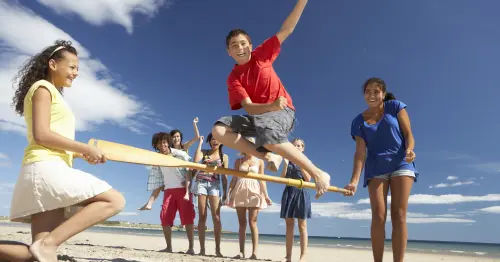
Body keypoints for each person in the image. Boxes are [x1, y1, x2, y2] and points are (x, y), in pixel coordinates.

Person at [2, 40, 125, 262]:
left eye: (77, 68)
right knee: (114, 200)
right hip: (45, 169)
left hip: (45, 172)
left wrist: (78, 154)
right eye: (72, 67)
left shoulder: (54, 93)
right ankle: (50, 244)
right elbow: (41, 135)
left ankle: (47, 245)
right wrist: (85, 147)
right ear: (53, 64)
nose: (76, 73)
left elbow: (53, 139)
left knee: (37, 255)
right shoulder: (43, 88)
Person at [211, 0, 330, 199]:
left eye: (243, 43)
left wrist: (302, 2)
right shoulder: (233, 78)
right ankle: (265, 155)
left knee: (268, 135)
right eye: (234, 46)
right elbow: (248, 108)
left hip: (283, 112)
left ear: (250, 45)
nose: (240, 48)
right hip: (259, 114)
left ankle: (318, 172)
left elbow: (287, 29)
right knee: (219, 130)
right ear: (229, 52)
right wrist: (269, 105)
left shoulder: (261, 55)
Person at [344, 78, 418, 262]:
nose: (372, 95)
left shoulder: (395, 107)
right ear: (364, 95)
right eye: (368, 91)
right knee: (378, 215)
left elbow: (409, 134)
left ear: (383, 94)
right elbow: (360, 154)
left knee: (399, 214)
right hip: (375, 167)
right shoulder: (358, 122)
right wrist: (353, 180)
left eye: (376, 91)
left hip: (401, 163)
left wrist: (409, 149)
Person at [138, 132, 195, 254]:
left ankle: (191, 248)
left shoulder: (179, 154)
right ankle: (169, 247)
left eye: (164, 142)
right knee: (165, 219)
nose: (162, 145)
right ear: (156, 145)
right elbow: (158, 180)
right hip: (168, 191)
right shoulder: (158, 158)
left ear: (168, 142)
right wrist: (151, 201)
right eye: (159, 143)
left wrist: (188, 186)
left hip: (182, 189)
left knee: (188, 219)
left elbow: (191, 168)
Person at [226, 137, 271, 259]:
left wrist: (266, 196)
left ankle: (254, 252)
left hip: (254, 191)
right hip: (240, 190)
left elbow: (262, 180)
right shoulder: (238, 161)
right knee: (242, 223)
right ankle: (241, 251)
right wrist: (228, 193)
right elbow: (234, 178)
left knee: (253, 222)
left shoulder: (260, 161)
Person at [192, 133, 228, 257]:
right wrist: (200, 143)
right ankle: (202, 249)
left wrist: (225, 193)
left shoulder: (224, 156)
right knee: (202, 216)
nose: (214, 140)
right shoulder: (204, 151)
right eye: (212, 139)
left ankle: (218, 250)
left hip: (215, 185)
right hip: (201, 183)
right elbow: (196, 161)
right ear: (209, 141)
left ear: (222, 142)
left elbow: (224, 176)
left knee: (216, 218)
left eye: (217, 139)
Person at [280, 138, 312, 262]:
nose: (297, 147)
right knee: (289, 225)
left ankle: (303, 256)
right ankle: (288, 257)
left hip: (301, 192)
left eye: (299, 146)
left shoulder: (306, 161)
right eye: (295, 145)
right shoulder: (287, 159)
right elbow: (282, 177)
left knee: (302, 225)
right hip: (289, 192)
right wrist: (286, 163)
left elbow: (308, 179)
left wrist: (300, 163)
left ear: (303, 148)